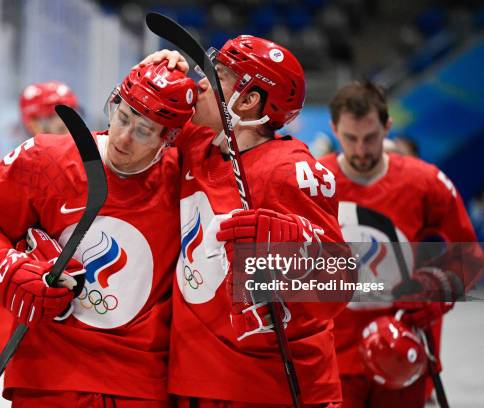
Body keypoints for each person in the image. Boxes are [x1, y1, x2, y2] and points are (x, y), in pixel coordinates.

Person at [0, 62, 197, 407]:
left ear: (168, 138)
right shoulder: (47, 159)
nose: (123, 137)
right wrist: (8, 268)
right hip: (49, 375)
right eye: (124, 116)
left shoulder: (183, 178)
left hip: (139, 383)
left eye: (144, 131)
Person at [141, 35, 347, 407]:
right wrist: (151, 74)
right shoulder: (196, 142)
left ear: (249, 100)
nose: (202, 82)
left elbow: (338, 285)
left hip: (272, 388)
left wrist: (297, 247)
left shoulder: (289, 170)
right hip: (197, 379)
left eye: (218, 75)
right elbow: (128, 134)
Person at [318, 81, 481, 407]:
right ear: (335, 129)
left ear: (387, 127)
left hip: (405, 352)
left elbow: (470, 254)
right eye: (350, 138)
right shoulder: (314, 180)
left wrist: (438, 289)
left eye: (371, 137)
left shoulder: (425, 181)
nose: (361, 150)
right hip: (332, 354)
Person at [0, 81, 80, 356]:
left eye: (67, 115)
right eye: (49, 118)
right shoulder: (16, 170)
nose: (61, 126)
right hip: (33, 303)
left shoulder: (84, 162)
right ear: (32, 122)